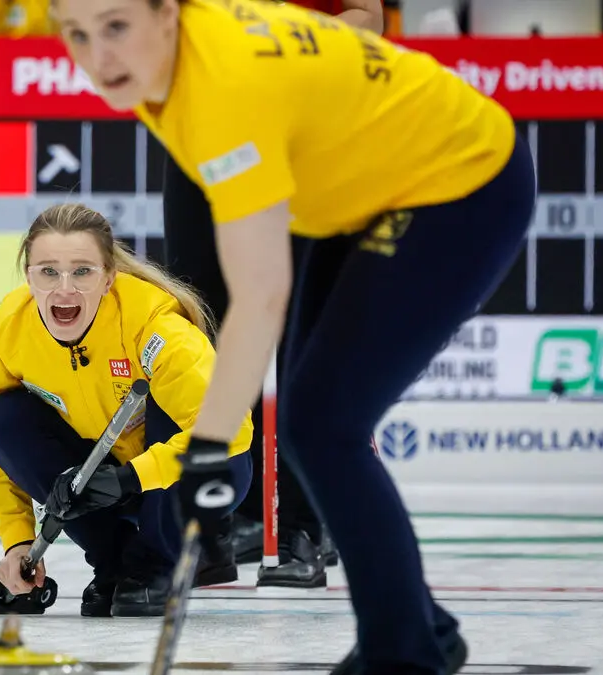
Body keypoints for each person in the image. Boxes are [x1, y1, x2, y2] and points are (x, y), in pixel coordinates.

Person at [51, 0, 535, 672]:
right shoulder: (166, 62)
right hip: (357, 183)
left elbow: (260, 294)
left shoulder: (220, 84)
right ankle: (419, 626)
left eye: (115, 27)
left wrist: (209, 447)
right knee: (316, 420)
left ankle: (406, 656)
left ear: (168, 13)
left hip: (459, 177)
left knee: (321, 424)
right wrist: (211, 445)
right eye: (76, 34)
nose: (97, 58)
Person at [166, 0, 384, 588]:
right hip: (201, 122)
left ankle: (304, 524)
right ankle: (225, 514)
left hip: (299, 124)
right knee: (200, 320)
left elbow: (368, 17)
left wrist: (273, 56)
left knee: (297, 323)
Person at [0, 203, 254, 617]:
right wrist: (17, 540)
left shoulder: (153, 323)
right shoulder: (11, 327)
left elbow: (228, 431)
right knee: (6, 417)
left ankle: (157, 560)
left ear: (108, 277)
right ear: (28, 276)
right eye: (48, 272)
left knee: (173, 407)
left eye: (82, 271)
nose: (64, 289)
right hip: (103, 476)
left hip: (193, 474)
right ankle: (116, 562)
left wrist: (131, 478)